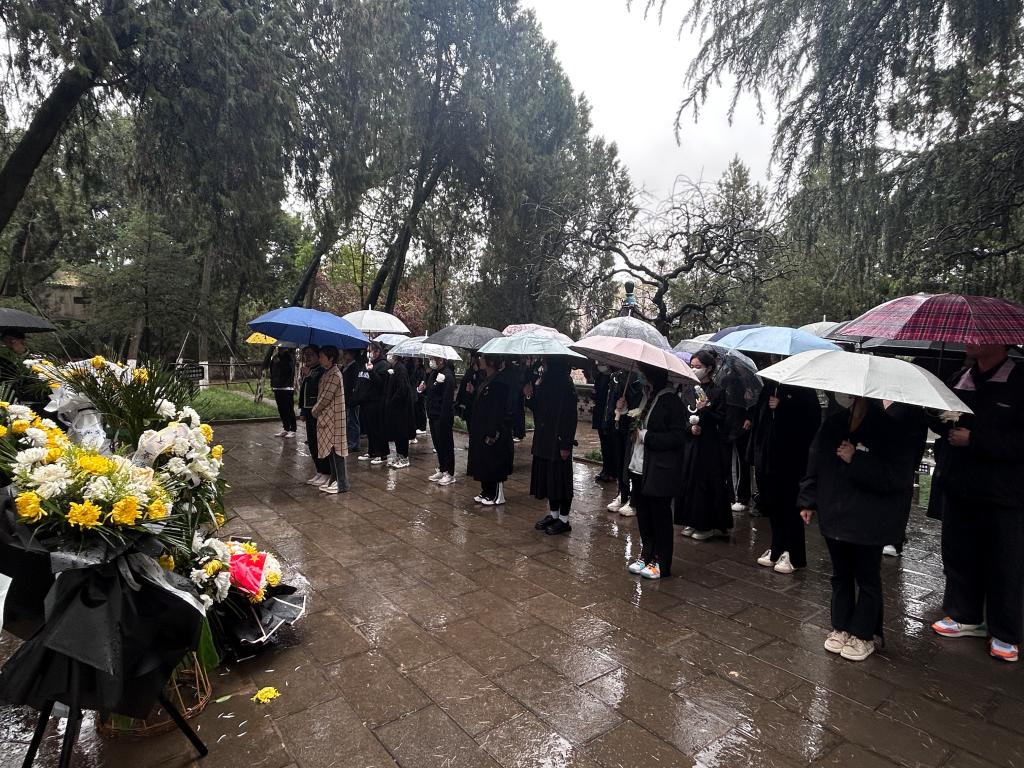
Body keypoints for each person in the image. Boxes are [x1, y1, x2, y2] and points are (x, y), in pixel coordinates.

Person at [798, 396, 921, 662]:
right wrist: (808, 499)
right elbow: (816, 460)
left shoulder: (890, 430)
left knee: (867, 576)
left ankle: (864, 633)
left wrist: (856, 459)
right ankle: (840, 626)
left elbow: (897, 477)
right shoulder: (834, 423)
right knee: (840, 574)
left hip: (869, 518)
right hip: (835, 512)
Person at [928, 343, 1024, 663]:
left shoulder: (1019, 381)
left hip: (1003, 493)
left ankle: (1005, 632)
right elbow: (943, 425)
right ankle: (964, 615)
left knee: (1005, 563)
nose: (970, 340)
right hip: (959, 485)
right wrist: (934, 413)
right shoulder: (960, 378)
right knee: (959, 553)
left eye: (979, 335)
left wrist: (975, 440)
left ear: (1000, 340)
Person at [748, 377, 821, 573]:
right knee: (773, 506)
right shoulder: (769, 387)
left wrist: (784, 407)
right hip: (767, 459)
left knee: (790, 506)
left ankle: (794, 553)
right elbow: (759, 422)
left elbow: (811, 423)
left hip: (792, 460)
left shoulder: (804, 390)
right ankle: (777, 546)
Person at [624, 364, 688, 579]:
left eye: (644, 373)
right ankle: (647, 553)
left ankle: (661, 560)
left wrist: (647, 436)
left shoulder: (671, 401)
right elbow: (638, 426)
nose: (641, 377)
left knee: (660, 516)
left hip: (659, 469)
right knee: (644, 514)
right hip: (639, 466)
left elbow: (678, 437)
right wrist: (623, 413)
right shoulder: (646, 396)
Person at [675, 350, 732, 540]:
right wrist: (689, 428)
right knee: (688, 481)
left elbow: (723, 419)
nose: (694, 369)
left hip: (709, 446)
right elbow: (680, 417)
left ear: (709, 369)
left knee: (705, 483)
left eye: (698, 367)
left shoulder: (718, 392)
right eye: (692, 366)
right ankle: (690, 520)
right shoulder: (687, 390)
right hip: (690, 444)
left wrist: (706, 409)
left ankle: (708, 525)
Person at [526, 356, 578, 535]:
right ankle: (554, 514)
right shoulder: (545, 380)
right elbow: (538, 408)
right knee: (550, 480)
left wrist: (566, 444)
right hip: (544, 437)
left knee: (561, 480)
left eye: (546, 362)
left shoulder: (565, 383)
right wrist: (531, 392)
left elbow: (570, 416)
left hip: (558, 439)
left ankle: (564, 519)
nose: (543, 365)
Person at [467, 355, 513, 505]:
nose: (480, 360)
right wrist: (472, 392)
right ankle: (486, 490)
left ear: (491, 362)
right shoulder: (484, 379)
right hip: (481, 426)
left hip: (493, 428)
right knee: (484, 460)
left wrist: (493, 432)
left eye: (483, 358)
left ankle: (495, 494)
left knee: (493, 460)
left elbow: (497, 410)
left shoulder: (500, 382)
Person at [311, 345, 349, 494]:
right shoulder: (328, 372)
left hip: (334, 417)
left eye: (322, 357)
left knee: (337, 450)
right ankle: (334, 480)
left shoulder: (335, 374)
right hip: (328, 417)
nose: (320, 359)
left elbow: (326, 397)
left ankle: (342, 483)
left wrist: (315, 410)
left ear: (331, 358)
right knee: (331, 450)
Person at [606, 369, 644, 517]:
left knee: (631, 465)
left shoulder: (642, 383)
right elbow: (612, 402)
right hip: (620, 426)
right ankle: (622, 494)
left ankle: (633, 499)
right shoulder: (619, 377)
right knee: (620, 462)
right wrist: (618, 408)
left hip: (635, 429)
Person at [298, 346, 332, 486]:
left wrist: (309, 376)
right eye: (306, 355)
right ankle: (319, 470)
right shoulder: (309, 370)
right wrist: (302, 411)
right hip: (308, 410)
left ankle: (326, 471)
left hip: (317, 411)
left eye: (311, 354)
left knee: (320, 443)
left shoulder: (321, 371)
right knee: (312, 443)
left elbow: (320, 389)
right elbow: (303, 392)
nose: (308, 358)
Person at [423, 355, 457, 485]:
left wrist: (443, 417)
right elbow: (430, 391)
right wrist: (423, 389)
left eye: (433, 359)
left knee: (446, 444)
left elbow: (447, 399)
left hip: (442, 416)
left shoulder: (447, 375)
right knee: (438, 444)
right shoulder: (433, 374)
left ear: (441, 360)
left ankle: (449, 472)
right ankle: (442, 468)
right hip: (433, 414)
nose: (431, 362)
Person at [354, 341, 389, 464]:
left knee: (377, 429)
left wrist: (372, 371)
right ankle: (372, 451)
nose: (368, 353)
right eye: (367, 351)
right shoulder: (367, 363)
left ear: (377, 351)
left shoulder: (383, 365)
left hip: (376, 402)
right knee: (369, 429)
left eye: (370, 351)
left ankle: (381, 453)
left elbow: (381, 384)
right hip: (365, 401)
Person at [384, 352, 414, 468]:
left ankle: (404, 457)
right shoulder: (395, 368)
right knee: (397, 433)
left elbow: (402, 389)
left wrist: (392, 401)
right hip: (396, 408)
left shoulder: (401, 369)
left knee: (402, 433)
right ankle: (399, 455)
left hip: (400, 408)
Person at [592, 364, 617, 482]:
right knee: (604, 444)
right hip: (600, 414)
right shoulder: (599, 376)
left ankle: (612, 472)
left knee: (610, 444)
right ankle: (605, 469)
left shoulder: (615, 379)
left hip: (609, 416)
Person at [269, 347, 297, 438]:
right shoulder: (275, 357)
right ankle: (286, 428)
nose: (280, 348)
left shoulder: (289, 357)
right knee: (281, 410)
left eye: (282, 347)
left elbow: (289, 371)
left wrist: (280, 362)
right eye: (279, 347)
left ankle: (293, 429)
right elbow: (272, 372)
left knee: (289, 409)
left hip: (287, 387)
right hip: (277, 387)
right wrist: (272, 384)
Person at [456, 354, 485, 428]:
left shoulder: (482, 372)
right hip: (467, 400)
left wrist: (477, 372)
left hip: (475, 402)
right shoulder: (469, 371)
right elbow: (463, 384)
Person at [341, 349, 361, 454]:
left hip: (352, 399)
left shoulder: (355, 367)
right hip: (346, 398)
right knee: (349, 421)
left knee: (353, 421)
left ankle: (354, 444)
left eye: (346, 353)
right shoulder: (346, 366)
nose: (344, 355)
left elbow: (355, 385)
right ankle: (349, 442)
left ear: (352, 354)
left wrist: (354, 398)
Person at [410, 359, 428, 437]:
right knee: (417, 410)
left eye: (416, 361)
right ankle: (418, 426)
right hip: (416, 392)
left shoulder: (421, 370)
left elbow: (422, 381)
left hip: (420, 393)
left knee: (421, 410)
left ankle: (422, 427)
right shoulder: (416, 369)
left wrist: (418, 388)